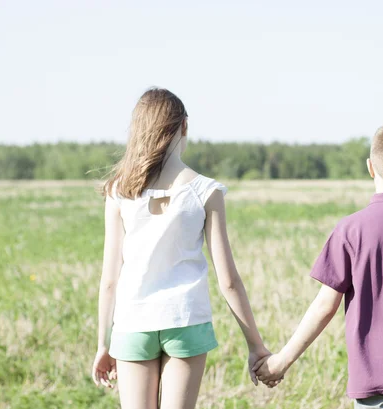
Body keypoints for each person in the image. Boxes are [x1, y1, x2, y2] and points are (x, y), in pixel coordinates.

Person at [254, 122, 383, 409]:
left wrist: (281, 361)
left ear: (370, 167)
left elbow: (325, 306)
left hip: (375, 374)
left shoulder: (350, 229)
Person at [91, 87, 271, 409]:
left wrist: (103, 345)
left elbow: (109, 279)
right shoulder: (206, 191)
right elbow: (228, 280)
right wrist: (255, 345)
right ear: (184, 126)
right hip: (186, 319)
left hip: (133, 322)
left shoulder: (119, 191)